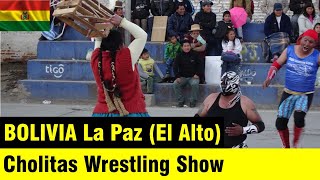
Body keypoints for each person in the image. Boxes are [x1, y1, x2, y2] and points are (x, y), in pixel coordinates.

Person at [262, 29, 320, 148]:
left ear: (314, 44)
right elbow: (276, 65)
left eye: (311, 42)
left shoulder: (317, 55)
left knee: (299, 118)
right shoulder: (289, 50)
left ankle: (295, 145)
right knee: (280, 123)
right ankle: (287, 147)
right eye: (305, 40)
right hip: (288, 93)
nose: (307, 44)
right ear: (301, 39)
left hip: (305, 94)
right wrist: (269, 78)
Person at [91, 14, 149, 117]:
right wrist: (122, 22)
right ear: (120, 44)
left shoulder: (95, 58)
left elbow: (98, 40)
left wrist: (100, 30)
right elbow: (142, 36)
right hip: (131, 111)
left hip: (101, 112)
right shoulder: (126, 57)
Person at [195, 71, 265, 148]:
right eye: (223, 83)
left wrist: (243, 130)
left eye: (226, 84)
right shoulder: (211, 99)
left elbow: (260, 125)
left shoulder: (245, 103)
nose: (224, 85)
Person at [173, 40, 201, 108]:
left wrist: (197, 74)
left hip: (193, 77)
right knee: (175, 84)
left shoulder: (195, 54)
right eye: (185, 46)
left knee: (195, 84)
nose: (186, 47)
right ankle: (180, 101)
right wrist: (177, 77)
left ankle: (192, 101)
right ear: (182, 47)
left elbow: (200, 65)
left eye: (188, 46)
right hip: (183, 77)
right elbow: (175, 67)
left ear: (190, 46)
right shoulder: (179, 56)